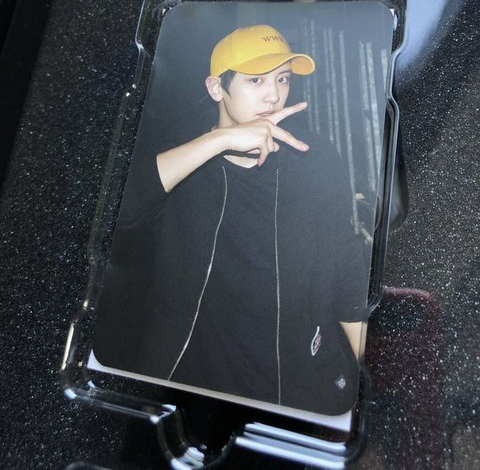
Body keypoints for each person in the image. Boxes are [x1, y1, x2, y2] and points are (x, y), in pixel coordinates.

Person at [93, 24, 367, 416]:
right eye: (256, 80)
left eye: (283, 79)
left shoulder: (313, 156)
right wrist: (220, 141)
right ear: (216, 88)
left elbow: (347, 269)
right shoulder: (184, 157)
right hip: (191, 386)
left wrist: (367, 379)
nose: (274, 95)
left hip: (298, 383)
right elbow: (117, 210)